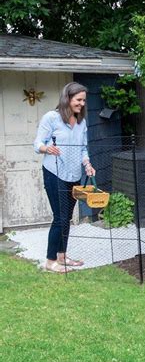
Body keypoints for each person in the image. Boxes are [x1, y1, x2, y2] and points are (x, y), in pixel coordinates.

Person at [33, 82, 96, 273]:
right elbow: (37, 144)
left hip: (74, 175)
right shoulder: (51, 118)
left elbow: (83, 149)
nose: (82, 104)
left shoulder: (81, 123)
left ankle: (62, 256)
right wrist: (47, 148)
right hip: (55, 173)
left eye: (84, 100)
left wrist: (87, 165)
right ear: (67, 98)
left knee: (67, 217)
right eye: (78, 100)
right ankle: (50, 261)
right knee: (60, 217)